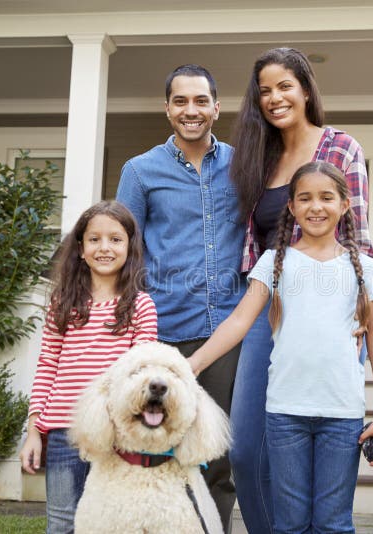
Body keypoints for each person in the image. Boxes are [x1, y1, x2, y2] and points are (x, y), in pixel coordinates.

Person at [190, 161, 373, 533]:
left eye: (326, 197)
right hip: (285, 414)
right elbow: (238, 321)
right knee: (290, 524)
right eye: (306, 198)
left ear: (345, 204)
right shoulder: (274, 262)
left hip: (342, 414)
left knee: (333, 524)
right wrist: (193, 363)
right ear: (292, 207)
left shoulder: (363, 267)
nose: (316, 206)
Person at [229, 46, 373, 532]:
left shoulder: (341, 147)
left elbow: (361, 236)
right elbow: (252, 243)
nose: (274, 98)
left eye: (285, 86)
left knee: (319, 467)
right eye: (264, 91)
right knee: (247, 452)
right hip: (267, 310)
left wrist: (362, 313)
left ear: (306, 90)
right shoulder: (259, 157)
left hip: (329, 316)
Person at [116, 64, 244, 531]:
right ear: (167, 108)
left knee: (220, 455)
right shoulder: (140, 171)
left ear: (216, 106)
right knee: (160, 448)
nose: (191, 111)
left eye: (200, 101)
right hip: (164, 331)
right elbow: (123, 251)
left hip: (229, 334)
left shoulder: (244, 163)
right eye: (180, 101)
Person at [19, 200, 158, 534]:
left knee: (112, 524)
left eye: (115, 239)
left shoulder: (140, 306)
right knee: (63, 523)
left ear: (130, 247)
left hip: (117, 436)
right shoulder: (61, 303)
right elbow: (47, 365)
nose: (104, 247)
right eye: (94, 239)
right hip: (64, 432)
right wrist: (34, 430)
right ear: (80, 249)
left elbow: (140, 375)